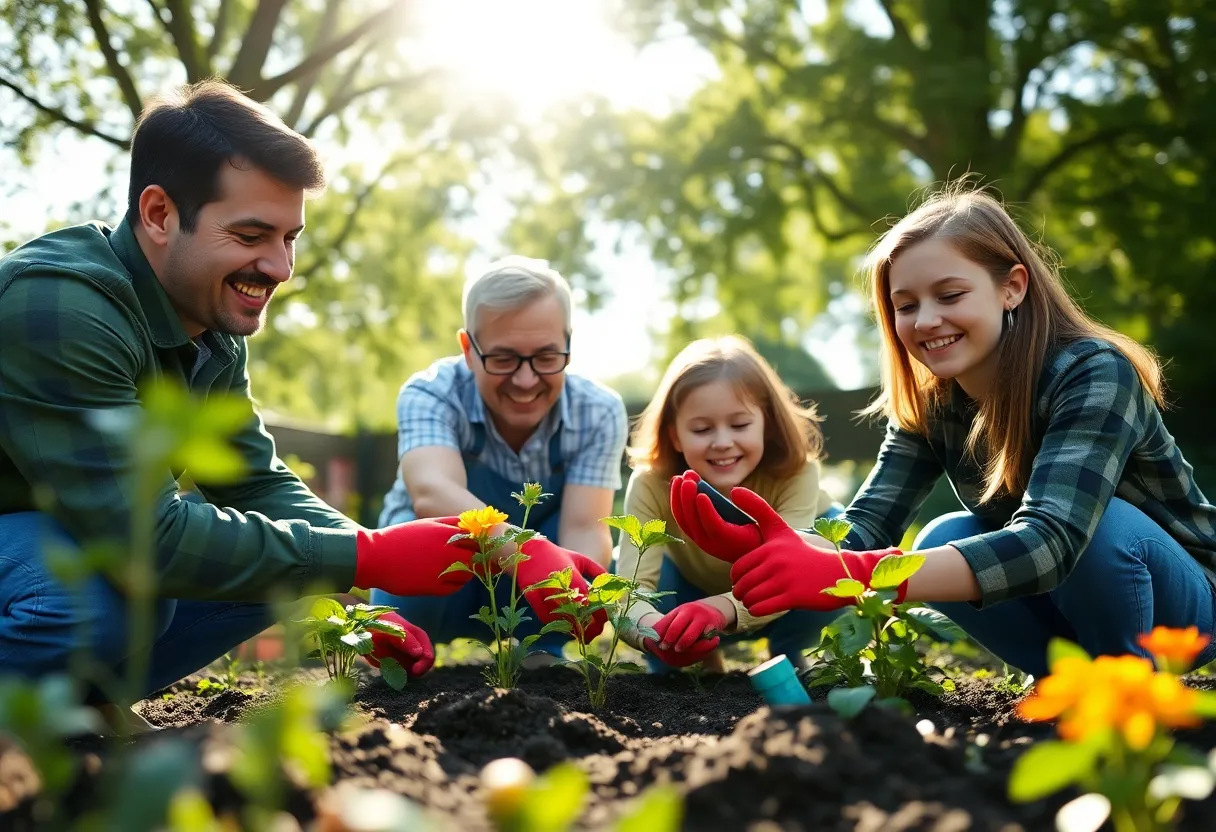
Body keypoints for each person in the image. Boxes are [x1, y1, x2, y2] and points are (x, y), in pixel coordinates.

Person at [0, 80, 598, 728]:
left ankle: (79, 709)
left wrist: (354, 598)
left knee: (275, 570)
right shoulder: (61, 306)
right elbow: (142, 538)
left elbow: (254, 482)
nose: (280, 267)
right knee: (94, 599)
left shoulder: (210, 332)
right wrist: (368, 555)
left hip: (54, 543)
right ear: (158, 214)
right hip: (38, 546)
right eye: (253, 234)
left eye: (290, 237)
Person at [670, 188, 1216, 678]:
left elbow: (1051, 544)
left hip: (1186, 609)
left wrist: (852, 572)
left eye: (950, 296)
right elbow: (864, 529)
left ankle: (1122, 688)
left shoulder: (1092, 372)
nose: (925, 319)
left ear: (1012, 288)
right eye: (905, 305)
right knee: (940, 537)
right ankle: (1066, 684)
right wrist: (749, 580)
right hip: (1064, 598)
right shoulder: (933, 399)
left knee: (1100, 526)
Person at [369, 256, 627, 661]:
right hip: (434, 585)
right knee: (417, 558)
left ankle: (543, 655)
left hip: (532, 598)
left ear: (569, 344)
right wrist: (529, 552)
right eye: (503, 359)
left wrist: (571, 599)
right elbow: (434, 494)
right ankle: (406, 662)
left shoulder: (599, 411)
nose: (525, 381)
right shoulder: (431, 394)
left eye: (545, 357)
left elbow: (583, 528)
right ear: (469, 349)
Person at [616, 336, 840, 672]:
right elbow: (631, 590)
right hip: (687, 595)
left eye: (739, 425)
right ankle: (686, 658)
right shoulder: (652, 482)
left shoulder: (797, 473)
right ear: (675, 435)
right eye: (702, 429)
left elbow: (790, 575)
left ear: (767, 423)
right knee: (622, 563)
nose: (722, 442)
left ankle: (795, 650)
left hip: (782, 604)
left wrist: (720, 608)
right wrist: (653, 630)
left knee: (837, 546)